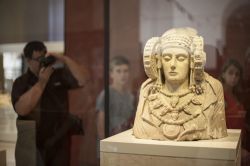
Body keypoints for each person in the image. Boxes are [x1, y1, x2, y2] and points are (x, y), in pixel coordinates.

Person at [133, 27, 227, 141]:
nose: (173, 64)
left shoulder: (212, 89)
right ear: (159, 62)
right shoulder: (147, 89)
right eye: (167, 58)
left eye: (181, 58)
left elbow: (217, 129)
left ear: (192, 62)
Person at [11, 41, 88, 166]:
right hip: (34, 143)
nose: (43, 63)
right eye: (38, 59)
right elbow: (21, 109)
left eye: (44, 58)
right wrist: (41, 83)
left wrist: (64, 59)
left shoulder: (58, 75)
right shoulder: (21, 82)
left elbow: (83, 79)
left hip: (59, 141)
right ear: (28, 61)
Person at [96, 56, 135, 140]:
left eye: (125, 71)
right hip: (109, 143)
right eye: (118, 71)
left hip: (124, 141)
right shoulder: (106, 94)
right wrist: (105, 146)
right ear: (111, 74)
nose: (123, 75)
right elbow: (100, 124)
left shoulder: (130, 96)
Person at [220, 58, 246, 129]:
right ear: (223, 74)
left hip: (240, 134)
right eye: (230, 73)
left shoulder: (237, 95)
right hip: (228, 134)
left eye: (237, 74)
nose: (234, 77)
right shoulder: (219, 94)